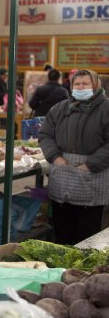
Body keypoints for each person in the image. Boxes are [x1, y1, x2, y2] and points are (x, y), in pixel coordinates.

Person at [39, 69, 109, 245]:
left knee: (87, 235)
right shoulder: (60, 109)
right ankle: (61, 268)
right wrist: (55, 157)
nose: (80, 87)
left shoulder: (106, 109)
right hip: (62, 174)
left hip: (93, 174)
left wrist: (91, 164)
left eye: (85, 84)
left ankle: (84, 270)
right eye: (77, 84)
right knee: (62, 230)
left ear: (96, 85)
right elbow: (46, 135)